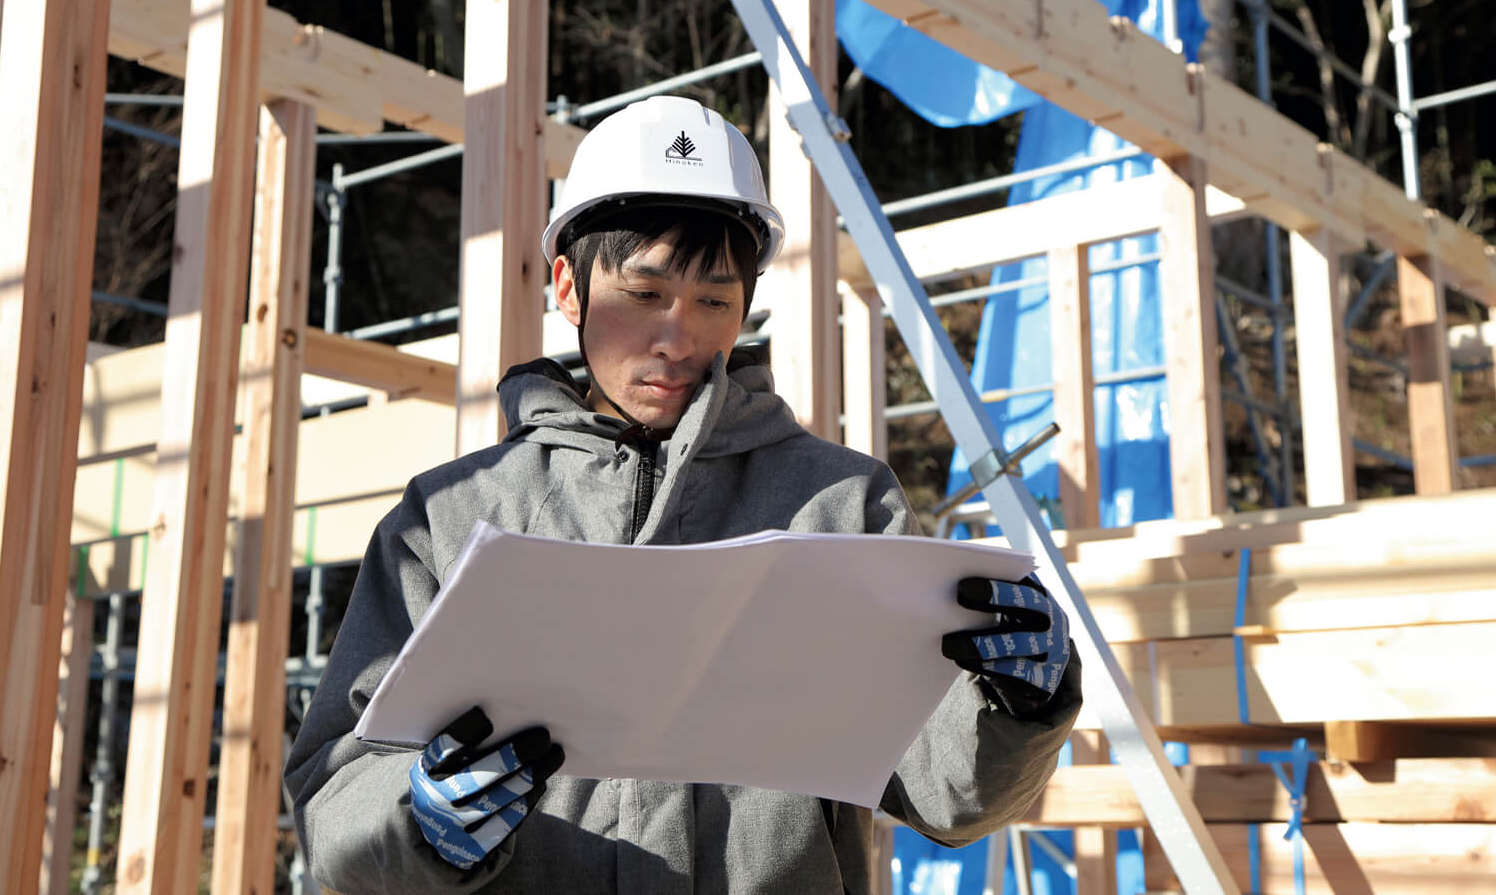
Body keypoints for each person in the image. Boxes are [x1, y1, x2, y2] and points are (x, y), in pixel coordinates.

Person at [284, 95, 1082, 893]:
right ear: (568, 286)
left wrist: (1014, 705)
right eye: (643, 294)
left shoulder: (840, 504)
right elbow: (333, 795)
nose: (679, 337)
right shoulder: (450, 520)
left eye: (713, 301)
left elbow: (945, 792)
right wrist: (418, 822)